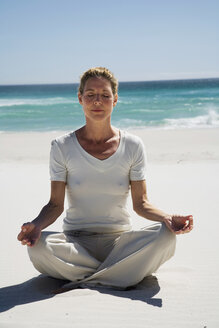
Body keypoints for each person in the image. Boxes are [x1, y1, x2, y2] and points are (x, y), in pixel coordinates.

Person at [17, 67, 193, 291]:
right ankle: (119, 274)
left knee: (167, 238)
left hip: (120, 243)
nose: (97, 101)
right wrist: (37, 225)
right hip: (75, 243)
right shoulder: (61, 146)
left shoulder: (133, 145)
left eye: (105, 95)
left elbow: (142, 204)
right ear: (80, 99)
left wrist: (167, 218)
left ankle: (87, 277)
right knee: (37, 247)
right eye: (90, 95)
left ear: (115, 100)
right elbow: (54, 205)